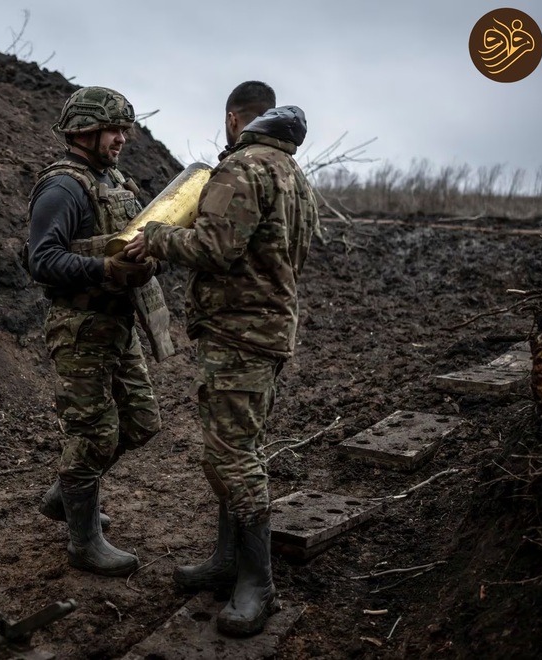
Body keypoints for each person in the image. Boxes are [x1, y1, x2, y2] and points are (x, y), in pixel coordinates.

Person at [124, 81, 319, 635]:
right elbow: (294, 251)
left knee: (233, 457)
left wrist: (157, 235)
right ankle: (228, 560)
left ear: (235, 120)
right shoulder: (293, 174)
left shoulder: (240, 169)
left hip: (239, 335)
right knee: (237, 448)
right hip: (268, 330)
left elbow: (213, 248)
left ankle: (258, 583)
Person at [26, 86, 161, 577]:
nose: (122, 138)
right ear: (84, 131)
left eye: (124, 129)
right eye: (113, 129)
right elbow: (42, 260)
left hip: (117, 324)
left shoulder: (113, 180)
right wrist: (105, 268)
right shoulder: (62, 188)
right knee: (94, 434)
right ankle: (83, 543)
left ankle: (65, 496)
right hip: (80, 330)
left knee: (141, 421)